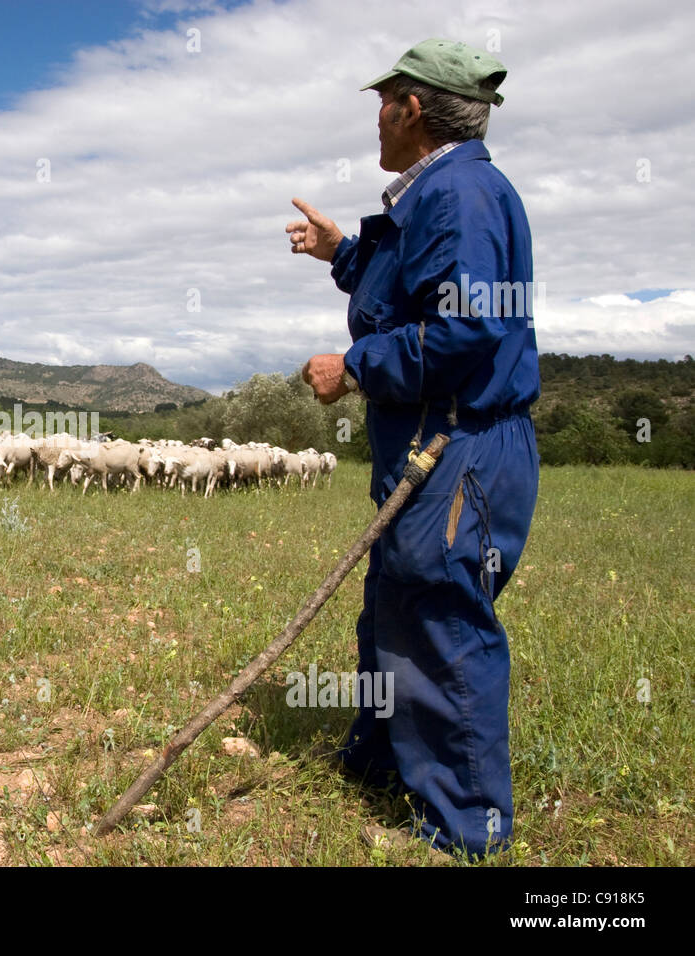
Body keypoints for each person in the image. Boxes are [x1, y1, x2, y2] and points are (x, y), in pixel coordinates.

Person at [285, 38, 540, 858]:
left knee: (440, 624)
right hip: (435, 446)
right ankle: (380, 769)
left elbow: (464, 326)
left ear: (413, 106)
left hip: (458, 449)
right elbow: (415, 286)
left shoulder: (459, 193)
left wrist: (352, 367)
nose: (378, 114)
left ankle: (467, 830)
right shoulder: (436, 193)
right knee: (396, 610)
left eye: (383, 98)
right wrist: (342, 254)